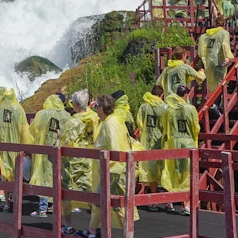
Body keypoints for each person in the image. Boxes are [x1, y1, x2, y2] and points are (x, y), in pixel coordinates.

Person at [88, 94, 138, 237]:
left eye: (96, 107)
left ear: (101, 109)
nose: (95, 109)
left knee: (117, 206)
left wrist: (111, 167)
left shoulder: (110, 124)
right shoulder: (114, 120)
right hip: (112, 169)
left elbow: (115, 148)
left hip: (114, 170)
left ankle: (127, 234)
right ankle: (92, 231)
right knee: (101, 201)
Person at [0, 87, 33, 211]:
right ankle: (14, 199)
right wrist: (27, 146)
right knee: (14, 173)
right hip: (15, 145)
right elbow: (24, 130)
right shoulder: (18, 109)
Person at [60, 90, 99, 233]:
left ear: (75, 104)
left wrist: (60, 136)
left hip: (74, 163)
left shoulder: (74, 122)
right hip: (92, 161)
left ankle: (68, 225)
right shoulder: (94, 118)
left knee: (66, 194)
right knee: (94, 194)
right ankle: (93, 227)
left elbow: (65, 143)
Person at [29, 94, 71, 217]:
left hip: (44, 150)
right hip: (59, 150)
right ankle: (56, 206)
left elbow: (33, 130)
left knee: (43, 178)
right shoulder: (66, 115)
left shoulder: (42, 114)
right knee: (57, 177)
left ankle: (42, 209)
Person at [159, 84, 199, 215]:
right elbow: (195, 127)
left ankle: (169, 201)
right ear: (186, 95)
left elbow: (164, 127)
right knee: (186, 173)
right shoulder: (191, 108)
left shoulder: (169, 110)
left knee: (172, 171)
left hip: (173, 141)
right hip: (188, 141)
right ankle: (185, 205)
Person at [136, 85, 167, 202]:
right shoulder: (164, 107)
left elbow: (139, 123)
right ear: (161, 95)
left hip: (147, 140)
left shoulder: (143, 107)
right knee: (163, 169)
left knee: (151, 171)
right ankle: (167, 200)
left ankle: (153, 200)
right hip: (160, 140)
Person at [198, 16, 234, 93]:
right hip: (219, 60)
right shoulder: (224, 33)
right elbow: (225, 45)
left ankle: (214, 102)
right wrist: (228, 57)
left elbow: (201, 48)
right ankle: (219, 102)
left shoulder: (207, 35)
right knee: (221, 82)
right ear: (224, 24)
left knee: (212, 83)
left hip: (209, 61)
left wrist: (203, 58)